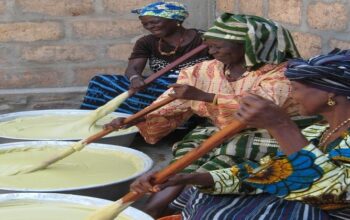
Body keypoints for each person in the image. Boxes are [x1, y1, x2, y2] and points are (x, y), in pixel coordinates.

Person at [108, 13, 316, 217]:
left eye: (218, 46)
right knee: (186, 159)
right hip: (219, 130)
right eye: (209, 44)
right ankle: (156, 207)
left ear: (248, 46)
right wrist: (134, 120)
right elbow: (172, 102)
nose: (211, 50)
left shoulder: (281, 73)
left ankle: (157, 209)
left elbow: (261, 107)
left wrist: (205, 96)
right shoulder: (203, 70)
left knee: (215, 162)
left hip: (270, 134)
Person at [131, 49, 350, 219]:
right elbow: (272, 170)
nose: (292, 95)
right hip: (306, 195)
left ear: (331, 92)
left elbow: (332, 197)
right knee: (201, 193)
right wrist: (190, 177)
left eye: (298, 89)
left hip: (328, 210)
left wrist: (281, 125)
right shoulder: (322, 131)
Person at [80, 1, 210, 114]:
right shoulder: (147, 42)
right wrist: (135, 78)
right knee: (100, 82)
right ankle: (88, 121)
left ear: (176, 20)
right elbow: (133, 69)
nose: (149, 27)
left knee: (156, 93)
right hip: (159, 87)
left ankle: (144, 118)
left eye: (154, 22)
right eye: (145, 24)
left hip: (192, 89)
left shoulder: (205, 40)